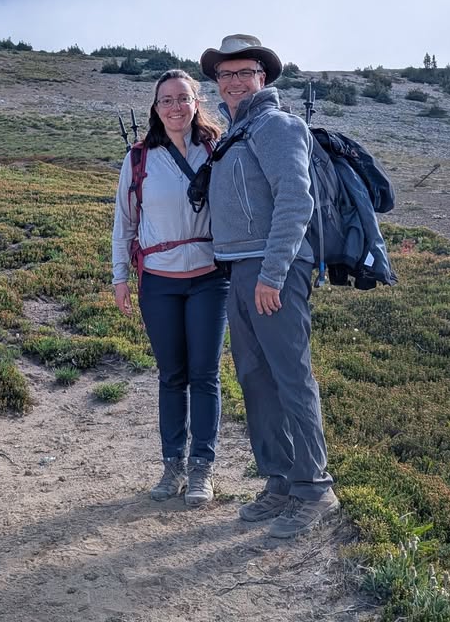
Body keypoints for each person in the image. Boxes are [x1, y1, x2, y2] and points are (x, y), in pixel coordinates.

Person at [199, 34, 339, 537]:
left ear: (262, 78)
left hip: (272, 270)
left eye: (244, 72)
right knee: (256, 380)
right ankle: (278, 481)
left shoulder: (277, 126)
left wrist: (274, 273)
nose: (234, 82)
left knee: (290, 377)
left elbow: (295, 201)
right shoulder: (237, 133)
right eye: (225, 74)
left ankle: (314, 489)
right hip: (240, 269)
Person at [111, 69, 230, 507]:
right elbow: (123, 221)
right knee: (171, 376)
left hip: (209, 280)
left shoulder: (217, 150)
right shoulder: (139, 158)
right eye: (166, 100)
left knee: (205, 375)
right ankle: (171, 466)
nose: (175, 107)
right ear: (155, 108)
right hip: (158, 282)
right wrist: (119, 276)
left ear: (196, 103)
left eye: (183, 98)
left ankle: (202, 468)